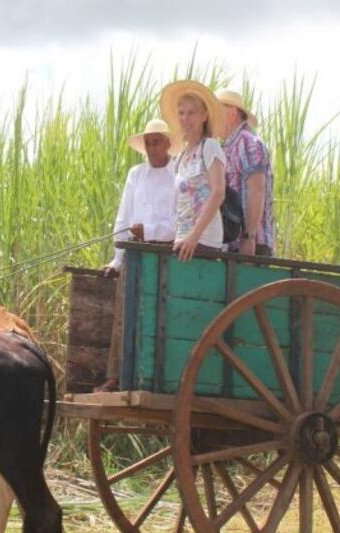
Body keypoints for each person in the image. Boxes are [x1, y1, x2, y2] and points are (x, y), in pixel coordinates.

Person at [94, 118, 180, 393]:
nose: (153, 148)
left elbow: (180, 223)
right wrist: (117, 260)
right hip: (134, 254)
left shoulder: (178, 175)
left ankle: (163, 379)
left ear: (168, 143)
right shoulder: (136, 174)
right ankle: (115, 376)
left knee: (162, 315)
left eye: (157, 142)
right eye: (148, 143)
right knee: (124, 315)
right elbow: (123, 218)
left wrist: (151, 230)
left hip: (167, 255)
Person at [159, 80, 227, 261]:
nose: (185, 118)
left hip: (204, 239)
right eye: (181, 113)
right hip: (183, 238)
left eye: (191, 113)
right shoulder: (181, 156)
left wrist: (194, 236)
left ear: (204, 116)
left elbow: (218, 192)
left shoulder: (210, 146)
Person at [216, 89, 276, 256]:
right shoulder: (227, 146)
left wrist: (249, 237)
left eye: (216, 111)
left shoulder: (247, 142)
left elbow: (256, 190)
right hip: (233, 241)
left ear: (232, 114)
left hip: (250, 243)